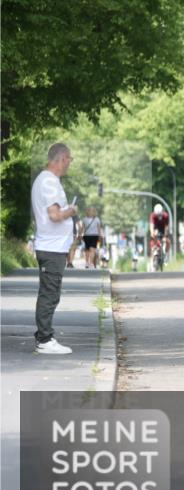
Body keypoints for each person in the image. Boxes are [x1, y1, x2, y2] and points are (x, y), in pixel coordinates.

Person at [30, 143, 78, 354]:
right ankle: (44, 339)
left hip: (52, 247)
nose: (69, 164)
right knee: (49, 294)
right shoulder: (49, 182)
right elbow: (55, 215)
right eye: (69, 159)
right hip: (51, 248)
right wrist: (72, 211)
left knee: (50, 292)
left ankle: (45, 337)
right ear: (62, 158)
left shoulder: (47, 180)